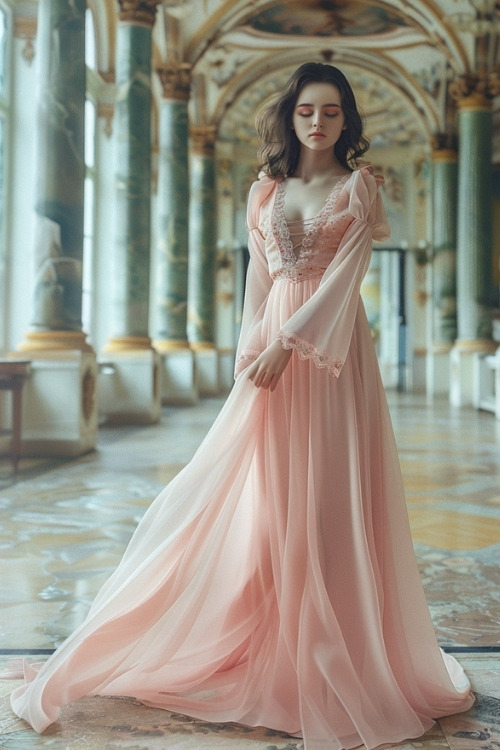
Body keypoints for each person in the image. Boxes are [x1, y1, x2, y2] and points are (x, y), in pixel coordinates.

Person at [9, 62, 473, 749]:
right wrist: (249, 352)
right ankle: (265, 635)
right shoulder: (264, 191)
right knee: (257, 499)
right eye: (307, 111)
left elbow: (346, 281)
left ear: (347, 121)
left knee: (324, 500)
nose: (318, 122)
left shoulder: (359, 189)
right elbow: (259, 277)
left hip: (329, 353)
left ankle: (327, 651)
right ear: (290, 116)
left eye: (332, 112)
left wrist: (289, 345)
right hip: (269, 358)